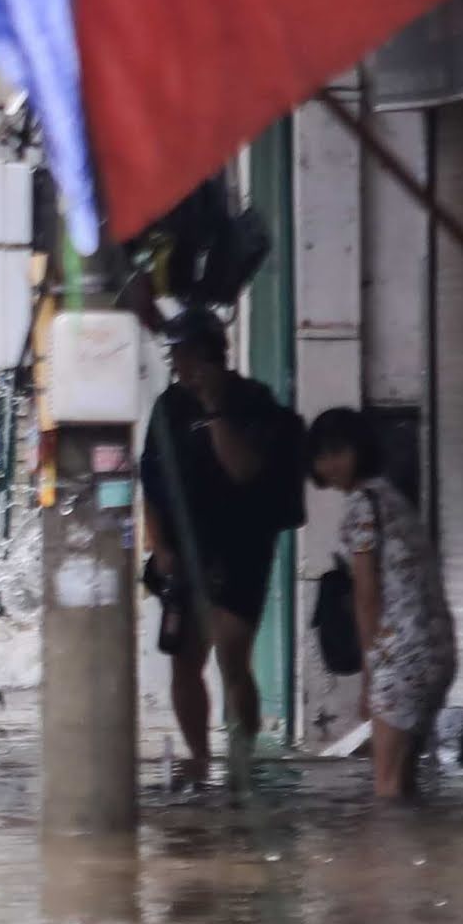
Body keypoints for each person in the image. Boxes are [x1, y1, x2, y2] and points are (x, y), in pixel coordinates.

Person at [144, 310, 306, 792]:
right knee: (184, 659)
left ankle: (240, 759)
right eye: (177, 357)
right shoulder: (167, 408)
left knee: (232, 654)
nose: (183, 366)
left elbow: (242, 470)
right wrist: (161, 547)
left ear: (215, 355)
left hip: (240, 548)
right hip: (183, 550)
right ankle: (197, 758)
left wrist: (215, 409)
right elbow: (150, 481)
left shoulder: (253, 403)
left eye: (191, 355)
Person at [308, 407, 450, 799]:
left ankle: (388, 860)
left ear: (360, 450)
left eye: (339, 452)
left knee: (386, 790)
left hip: (401, 656)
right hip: (435, 652)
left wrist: (370, 676)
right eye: (322, 455)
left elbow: (367, 595)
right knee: (406, 783)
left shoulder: (360, 507)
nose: (330, 464)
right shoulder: (392, 498)